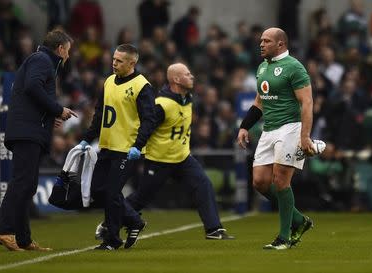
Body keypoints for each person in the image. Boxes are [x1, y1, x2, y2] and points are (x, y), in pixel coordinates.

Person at [96, 63, 234, 241]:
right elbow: (146, 128)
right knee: (141, 198)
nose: (192, 76)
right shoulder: (161, 105)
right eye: (187, 74)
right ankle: (108, 224)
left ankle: (214, 229)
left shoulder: (188, 98)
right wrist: (137, 149)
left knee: (203, 185)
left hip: (182, 157)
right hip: (159, 160)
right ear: (176, 79)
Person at [0, 29, 77, 251]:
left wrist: (51, 116)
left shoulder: (41, 60)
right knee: (22, 182)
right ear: (60, 49)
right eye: (68, 51)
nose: (68, 56)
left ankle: (23, 238)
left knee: (27, 185)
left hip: (30, 129)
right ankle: (4, 230)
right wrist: (58, 109)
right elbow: (32, 87)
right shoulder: (42, 60)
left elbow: (32, 96)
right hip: (27, 132)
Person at [237, 27, 314, 250]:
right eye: (261, 40)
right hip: (268, 130)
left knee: (281, 180)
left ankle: (284, 238)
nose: (261, 44)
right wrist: (244, 126)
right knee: (260, 182)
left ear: (280, 44)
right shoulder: (263, 67)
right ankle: (299, 220)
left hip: (290, 128)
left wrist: (304, 135)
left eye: (266, 41)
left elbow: (307, 102)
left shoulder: (294, 67)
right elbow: (260, 102)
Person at [80, 44, 156, 250]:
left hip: (127, 150)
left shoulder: (142, 86)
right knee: (98, 189)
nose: (114, 63)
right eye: (113, 59)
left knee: (112, 193)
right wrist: (87, 138)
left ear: (132, 63)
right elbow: (99, 113)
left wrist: (138, 146)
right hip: (107, 146)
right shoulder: (108, 82)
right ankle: (134, 221)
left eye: (119, 60)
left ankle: (112, 239)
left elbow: (149, 119)